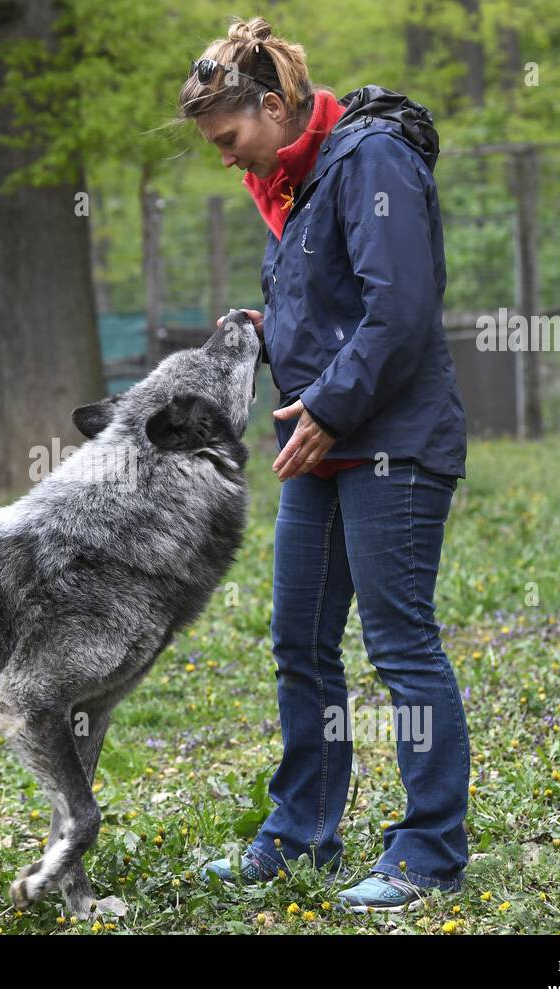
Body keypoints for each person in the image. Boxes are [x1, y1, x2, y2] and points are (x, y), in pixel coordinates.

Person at [177, 16, 471, 912]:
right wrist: (268, 333)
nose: (229, 160)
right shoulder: (298, 183)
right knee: (301, 644)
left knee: (399, 647)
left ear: (274, 105)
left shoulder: (370, 159)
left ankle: (428, 853)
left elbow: (401, 308)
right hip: (323, 450)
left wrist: (333, 406)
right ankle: (299, 834)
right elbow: (340, 307)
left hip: (391, 444)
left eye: (231, 140)